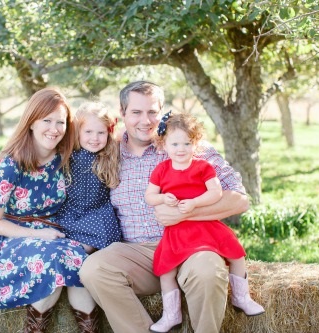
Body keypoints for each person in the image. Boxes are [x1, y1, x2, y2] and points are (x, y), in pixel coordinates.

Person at [79, 81, 250, 333]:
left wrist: (185, 212)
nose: (145, 120)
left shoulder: (184, 146)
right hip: (140, 253)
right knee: (94, 269)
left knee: (207, 272)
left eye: (152, 112)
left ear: (162, 113)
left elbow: (239, 199)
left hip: (192, 246)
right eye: (136, 112)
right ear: (123, 113)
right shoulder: (107, 151)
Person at [0, 87, 99, 333]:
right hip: (9, 239)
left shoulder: (65, 158)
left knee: (84, 263)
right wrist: (39, 235)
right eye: (46, 120)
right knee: (53, 261)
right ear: (31, 122)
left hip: (54, 235)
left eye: (60, 122)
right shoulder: (11, 165)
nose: (54, 129)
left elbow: (100, 139)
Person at [145, 111, 264, 332]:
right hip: (177, 230)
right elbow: (149, 197)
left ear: (196, 143)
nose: (181, 149)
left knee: (236, 254)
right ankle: (171, 315)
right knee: (166, 271)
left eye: (187, 143)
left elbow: (216, 193)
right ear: (164, 144)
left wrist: (193, 203)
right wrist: (162, 198)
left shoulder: (202, 167)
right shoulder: (161, 170)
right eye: (175, 144)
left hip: (204, 224)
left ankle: (241, 297)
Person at [56, 101, 122, 254]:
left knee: (86, 248)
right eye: (88, 132)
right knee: (64, 245)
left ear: (108, 133)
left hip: (97, 215)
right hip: (70, 214)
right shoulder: (68, 153)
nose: (95, 138)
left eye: (101, 133)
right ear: (77, 131)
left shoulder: (108, 155)